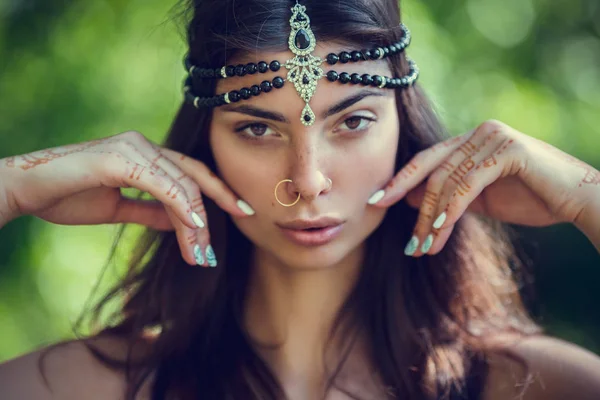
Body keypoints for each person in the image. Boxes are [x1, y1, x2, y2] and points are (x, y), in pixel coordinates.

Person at [0, 0, 599, 399]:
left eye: (354, 121)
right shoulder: (89, 387)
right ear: (205, 143)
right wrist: (12, 186)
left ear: (406, 129)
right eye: (258, 129)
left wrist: (585, 198)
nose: (309, 180)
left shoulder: (525, 385)